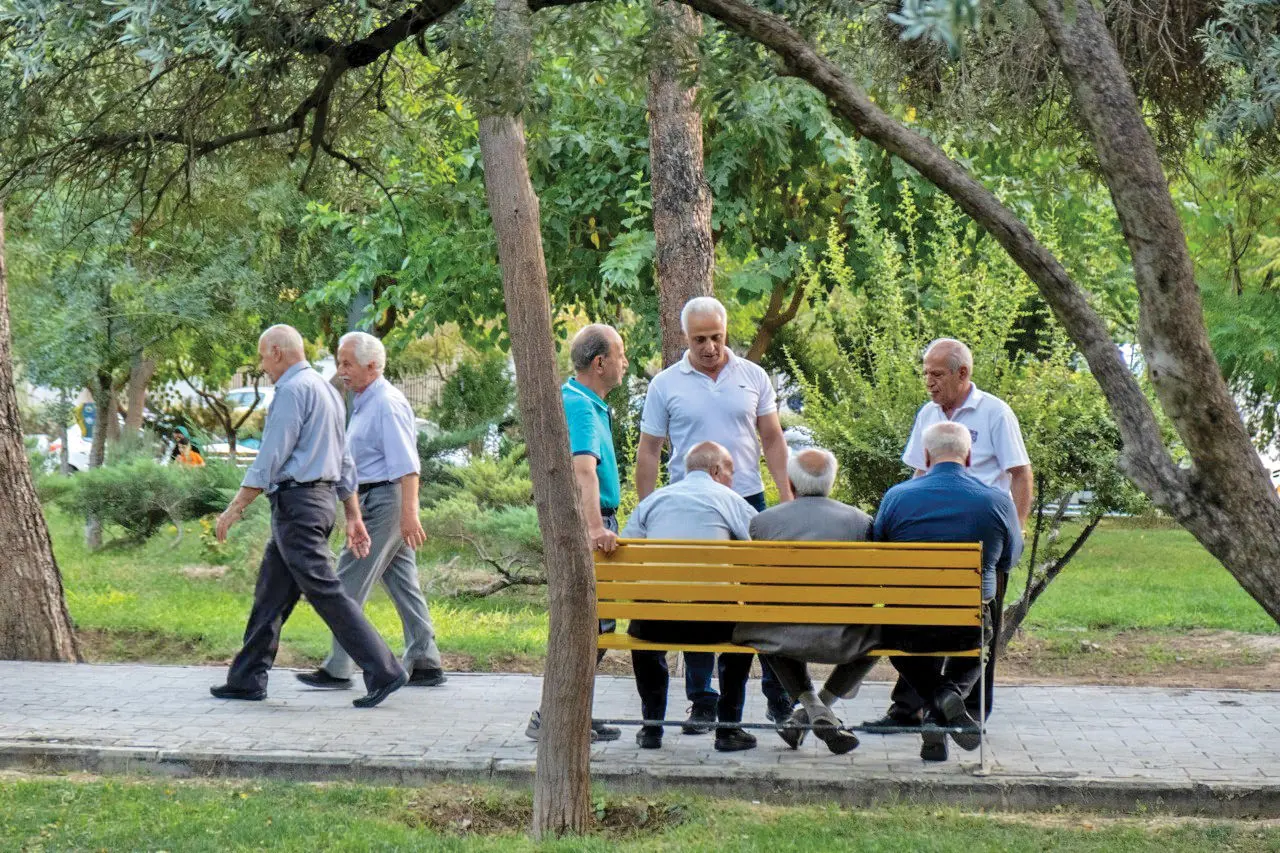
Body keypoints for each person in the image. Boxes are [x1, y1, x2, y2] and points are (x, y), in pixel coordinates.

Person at [211, 325, 407, 709]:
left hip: (297, 506)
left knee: (326, 592)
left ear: (278, 352)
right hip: (316, 503)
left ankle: (384, 670)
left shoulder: (292, 391)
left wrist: (236, 506)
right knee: (271, 594)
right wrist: (352, 514)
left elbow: (271, 454)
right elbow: (345, 460)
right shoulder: (328, 392)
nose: (262, 365)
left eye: (263, 357)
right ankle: (247, 678)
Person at [635, 296, 795, 731]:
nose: (710, 347)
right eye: (700, 339)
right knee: (697, 596)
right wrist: (647, 508)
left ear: (727, 333)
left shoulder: (753, 376)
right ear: (685, 338)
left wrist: (786, 497)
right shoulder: (666, 384)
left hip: (747, 500)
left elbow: (773, 440)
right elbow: (649, 450)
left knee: (762, 602)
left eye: (717, 338)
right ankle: (703, 699)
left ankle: (777, 696)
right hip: (687, 505)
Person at [867, 337, 1032, 731]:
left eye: (937, 374)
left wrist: (1015, 532)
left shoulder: (994, 413)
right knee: (922, 621)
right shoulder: (928, 413)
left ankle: (969, 713)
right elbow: (919, 473)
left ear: (963, 373)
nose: (929, 382)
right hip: (930, 541)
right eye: (925, 373)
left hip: (981, 541)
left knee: (971, 626)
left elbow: (1020, 474)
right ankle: (913, 709)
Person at [294, 331, 446, 693]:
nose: (340, 370)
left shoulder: (386, 404)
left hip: (385, 503)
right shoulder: (364, 400)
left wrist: (409, 515)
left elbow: (407, 465)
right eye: (338, 362)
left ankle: (339, 667)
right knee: (402, 583)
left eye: (347, 363)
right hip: (377, 500)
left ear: (373, 366)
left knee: (345, 583)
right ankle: (425, 660)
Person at [872, 421, 1023, 761]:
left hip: (905, 626)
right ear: (968, 458)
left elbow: (877, 553)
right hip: (965, 625)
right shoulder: (997, 501)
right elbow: (1010, 559)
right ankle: (947, 698)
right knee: (978, 650)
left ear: (925, 456)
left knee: (898, 645)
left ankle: (937, 705)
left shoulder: (896, 497)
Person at [525, 323, 629, 744]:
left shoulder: (581, 400)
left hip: (594, 519)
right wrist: (595, 528)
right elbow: (582, 469)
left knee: (594, 623)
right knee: (592, 624)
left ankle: (567, 712)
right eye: (620, 354)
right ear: (600, 362)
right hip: (593, 522)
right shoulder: (581, 406)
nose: (625, 362)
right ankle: (554, 715)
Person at [732, 448, 876, 755]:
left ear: (791, 483)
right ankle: (821, 706)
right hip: (843, 638)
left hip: (784, 636)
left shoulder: (762, 522)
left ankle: (809, 708)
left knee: (761, 624)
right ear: (830, 483)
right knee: (884, 630)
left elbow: (755, 589)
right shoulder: (862, 522)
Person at [623, 441, 759, 752]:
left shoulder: (655, 500)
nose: (732, 480)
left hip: (655, 624)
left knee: (644, 636)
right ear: (716, 471)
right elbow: (759, 545)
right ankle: (728, 730)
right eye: (730, 472)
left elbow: (627, 549)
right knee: (743, 639)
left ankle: (652, 728)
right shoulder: (730, 500)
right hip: (711, 624)